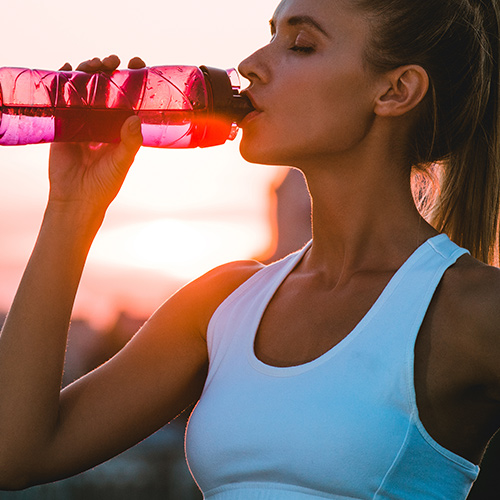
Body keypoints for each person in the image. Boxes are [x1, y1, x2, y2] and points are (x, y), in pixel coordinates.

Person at [0, 0, 499, 498]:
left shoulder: (473, 309)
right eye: (271, 34)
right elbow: (15, 454)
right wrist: (72, 206)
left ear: (396, 90)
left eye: (301, 45)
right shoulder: (221, 304)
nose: (248, 65)